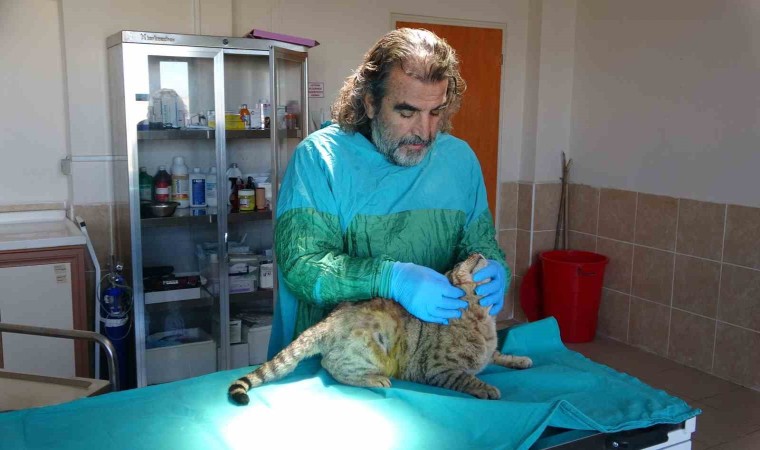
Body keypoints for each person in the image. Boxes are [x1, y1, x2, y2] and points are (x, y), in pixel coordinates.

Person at [268, 28, 509, 356]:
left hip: (432, 359)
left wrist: (491, 267)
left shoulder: (459, 160)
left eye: (435, 112)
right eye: (407, 112)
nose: (424, 132)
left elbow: (478, 243)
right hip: (340, 360)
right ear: (370, 103)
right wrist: (391, 279)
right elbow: (302, 267)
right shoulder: (320, 159)